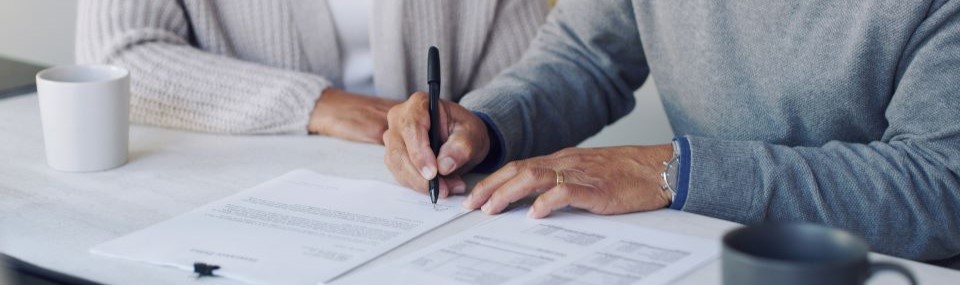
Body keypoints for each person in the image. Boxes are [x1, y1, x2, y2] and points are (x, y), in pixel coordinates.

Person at [382, 0, 960, 261]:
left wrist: (675, 170)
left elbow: (940, 185)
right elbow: (586, 57)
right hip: (693, 255)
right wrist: (483, 125)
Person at [75, 0, 547, 143]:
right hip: (231, 198)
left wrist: (476, 134)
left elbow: (535, 81)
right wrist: (315, 104)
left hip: (424, 207)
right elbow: (115, 61)